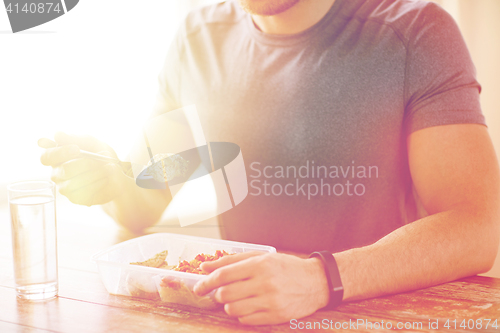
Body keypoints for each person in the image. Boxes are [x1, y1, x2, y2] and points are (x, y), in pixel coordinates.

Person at [40, 0, 500, 326]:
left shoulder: (416, 33)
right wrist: (111, 179)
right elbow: (143, 203)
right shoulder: (197, 40)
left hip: (369, 317)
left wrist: (321, 280)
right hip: (241, 318)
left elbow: (476, 226)